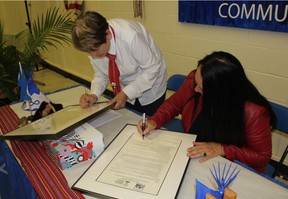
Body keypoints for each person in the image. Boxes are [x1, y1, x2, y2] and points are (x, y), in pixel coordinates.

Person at [137, 51, 276, 173]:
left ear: (222, 93)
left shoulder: (254, 112)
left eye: (201, 88)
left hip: (229, 167)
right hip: (195, 154)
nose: (196, 89)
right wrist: (155, 120)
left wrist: (222, 149)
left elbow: (262, 157)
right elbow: (174, 104)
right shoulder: (196, 79)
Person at [71, 11, 167, 116]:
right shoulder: (92, 45)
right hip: (123, 89)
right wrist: (94, 95)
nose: (93, 56)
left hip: (151, 88)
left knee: (149, 125)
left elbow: (152, 68)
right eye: (89, 52)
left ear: (108, 34)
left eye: (95, 50)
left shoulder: (130, 36)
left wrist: (126, 93)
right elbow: (101, 74)